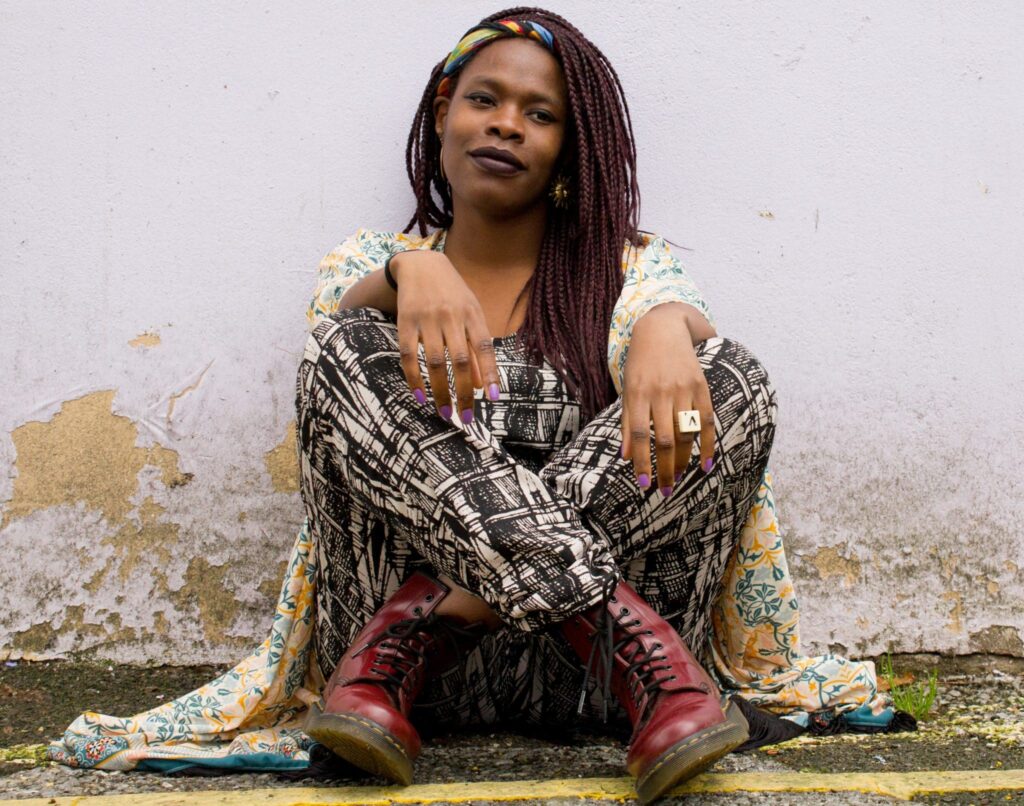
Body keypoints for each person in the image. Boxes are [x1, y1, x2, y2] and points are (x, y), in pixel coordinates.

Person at [50, 8, 895, 803]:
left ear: (571, 151)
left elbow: (687, 341)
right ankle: (598, 626)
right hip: (403, 689)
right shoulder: (372, 266)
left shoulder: (634, 275)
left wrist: (667, 324)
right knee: (344, 349)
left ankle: (467, 610)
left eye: (540, 114)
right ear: (444, 111)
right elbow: (336, 388)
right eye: (485, 100)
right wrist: (407, 273)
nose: (505, 124)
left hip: (604, 687)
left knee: (729, 375)